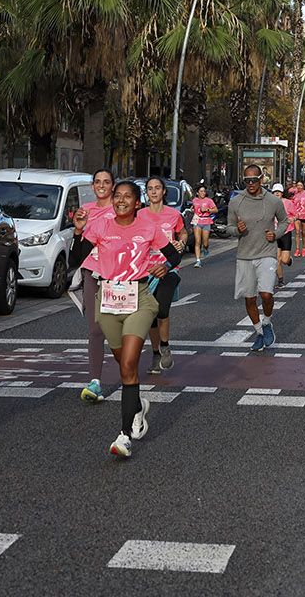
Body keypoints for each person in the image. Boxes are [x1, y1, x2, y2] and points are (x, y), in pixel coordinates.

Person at [69, 181, 180, 458]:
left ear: (136, 202)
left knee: (129, 363)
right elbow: (77, 258)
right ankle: (138, 406)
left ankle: (125, 435)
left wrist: (163, 267)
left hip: (139, 298)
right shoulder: (101, 226)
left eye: (126, 196)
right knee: (122, 363)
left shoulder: (148, 228)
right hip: (107, 300)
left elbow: (175, 255)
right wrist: (79, 231)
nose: (120, 201)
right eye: (117, 196)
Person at [225, 166, 285, 351]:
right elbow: (228, 228)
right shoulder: (236, 202)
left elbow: (284, 221)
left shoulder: (273, 200)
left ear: (261, 179)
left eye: (254, 180)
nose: (250, 184)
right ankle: (259, 331)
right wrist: (237, 230)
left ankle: (267, 322)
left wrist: (275, 235)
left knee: (266, 294)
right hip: (245, 255)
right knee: (250, 298)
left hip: (267, 252)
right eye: (247, 180)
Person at [71, 169, 118, 403]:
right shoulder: (86, 210)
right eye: (97, 182)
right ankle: (95, 382)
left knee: (118, 331)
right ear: (92, 185)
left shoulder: (120, 209)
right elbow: (77, 256)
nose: (101, 186)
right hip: (92, 272)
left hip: (118, 275)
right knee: (95, 329)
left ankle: (128, 373)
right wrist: (78, 229)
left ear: (113, 185)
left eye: (106, 182)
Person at [141, 178, 185, 374]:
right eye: (150, 189)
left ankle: (165, 345)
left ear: (164, 191)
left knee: (162, 308)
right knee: (149, 316)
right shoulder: (139, 215)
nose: (153, 192)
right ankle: (156, 352)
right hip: (145, 269)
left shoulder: (174, 214)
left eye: (157, 188)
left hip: (169, 267)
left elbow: (183, 233)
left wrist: (181, 243)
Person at [273, 182, 298, 286]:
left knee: (284, 259)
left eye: (278, 192)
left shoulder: (288, 203)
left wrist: (293, 218)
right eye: (275, 192)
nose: (277, 194)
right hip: (274, 233)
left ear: (282, 193)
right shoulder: (269, 203)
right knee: (276, 259)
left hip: (286, 232)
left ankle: (288, 260)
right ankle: (280, 280)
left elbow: (296, 214)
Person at [189, 184, 216, 267]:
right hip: (197, 221)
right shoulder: (195, 200)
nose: (203, 193)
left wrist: (207, 209)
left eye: (204, 191)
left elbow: (215, 210)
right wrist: (192, 209)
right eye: (201, 191)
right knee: (197, 241)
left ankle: (206, 249)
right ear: (197, 193)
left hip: (206, 221)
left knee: (205, 242)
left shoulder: (209, 200)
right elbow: (193, 207)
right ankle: (198, 261)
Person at [291, 180, 305, 258]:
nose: (299, 187)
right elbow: (292, 204)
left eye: (300, 185)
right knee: (297, 232)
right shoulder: (295, 195)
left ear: (303, 186)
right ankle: (297, 249)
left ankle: (303, 248)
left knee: (303, 232)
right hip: (297, 216)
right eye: (298, 185)